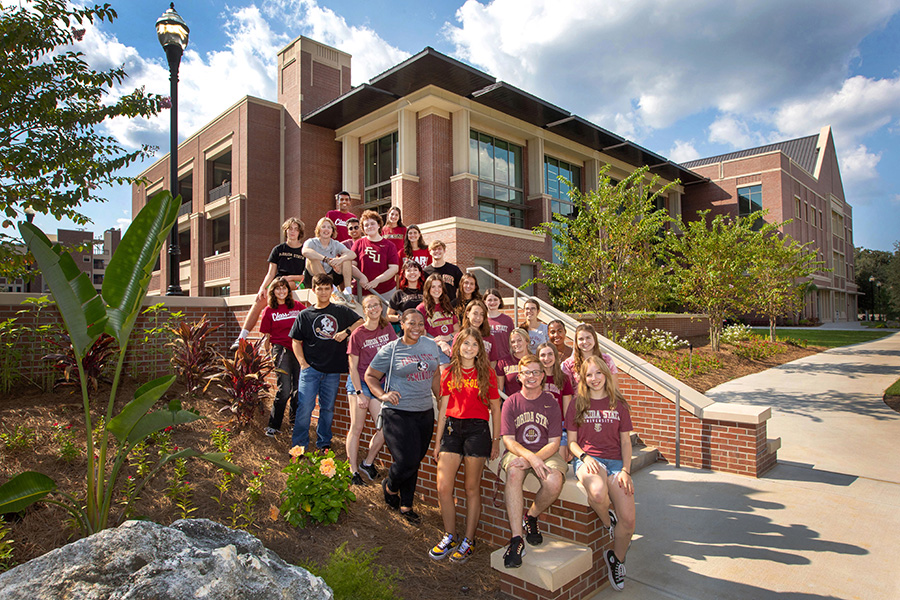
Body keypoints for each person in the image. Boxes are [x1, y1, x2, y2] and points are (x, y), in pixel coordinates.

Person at [365, 309, 448, 524]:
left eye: (420, 324)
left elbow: (435, 374)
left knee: (415, 460)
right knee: (407, 460)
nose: (416, 328)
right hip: (398, 412)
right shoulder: (391, 350)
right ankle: (390, 487)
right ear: (401, 324)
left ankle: (406, 506)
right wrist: (383, 394)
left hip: (424, 412)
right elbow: (371, 376)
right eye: (411, 323)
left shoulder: (430, 345)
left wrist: (440, 398)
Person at [429, 327, 501, 563]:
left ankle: (468, 540)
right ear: (457, 346)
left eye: (474, 344)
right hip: (452, 428)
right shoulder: (449, 372)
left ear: (479, 349)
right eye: (465, 343)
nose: (469, 348)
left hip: (477, 431)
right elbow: (442, 408)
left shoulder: (487, 374)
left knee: (471, 488)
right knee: (443, 487)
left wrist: (496, 439)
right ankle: (450, 535)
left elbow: (496, 407)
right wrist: (438, 441)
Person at [567, 356, 635, 592]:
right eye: (589, 375)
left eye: (598, 373)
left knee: (628, 521)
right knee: (597, 493)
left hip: (616, 463)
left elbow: (626, 442)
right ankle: (608, 521)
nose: (594, 379)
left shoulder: (619, 403)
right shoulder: (577, 403)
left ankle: (616, 558)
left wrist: (626, 470)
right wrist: (584, 458)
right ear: (583, 379)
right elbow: (572, 443)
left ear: (606, 374)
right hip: (589, 460)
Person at [500, 354, 566, 569]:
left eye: (536, 372)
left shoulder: (551, 402)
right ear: (519, 376)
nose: (532, 376)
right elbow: (508, 440)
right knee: (513, 472)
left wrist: (535, 459)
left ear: (542, 376)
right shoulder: (511, 402)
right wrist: (529, 459)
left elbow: (555, 442)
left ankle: (531, 516)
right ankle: (517, 540)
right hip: (519, 451)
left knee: (554, 481)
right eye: (527, 372)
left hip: (546, 452)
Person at [290, 274, 363, 452]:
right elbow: (295, 341)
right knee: (305, 407)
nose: (323, 292)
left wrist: (346, 332)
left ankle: (323, 443)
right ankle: (299, 446)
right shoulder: (305, 315)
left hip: (332, 370)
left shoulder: (340, 311)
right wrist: (303, 364)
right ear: (314, 290)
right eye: (319, 288)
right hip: (310, 370)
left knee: (327, 409)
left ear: (332, 290)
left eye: (326, 288)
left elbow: (360, 321)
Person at [232, 217, 305, 349]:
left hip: (296, 281)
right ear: (286, 231)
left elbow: (305, 276)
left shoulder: (305, 250)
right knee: (260, 300)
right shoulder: (278, 249)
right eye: (290, 229)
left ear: (300, 232)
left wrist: (289, 278)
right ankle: (241, 337)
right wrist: (262, 288)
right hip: (278, 281)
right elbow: (271, 273)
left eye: (296, 229)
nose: (293, 232)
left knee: (282, 287)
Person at [346, 295, 397, 485]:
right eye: (369, 306)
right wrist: (359, 393)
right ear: (364, 310)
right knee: (357, 427)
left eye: (377, 305)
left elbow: (394, 353)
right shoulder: (357, 334)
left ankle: (367, 463)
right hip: (360, 382)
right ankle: (352, 471)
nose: (374, 309)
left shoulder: (387, 327)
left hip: (379, 383)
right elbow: (352, 367)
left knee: (384, 427)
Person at [260, 277, 305, 437]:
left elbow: (307, 323)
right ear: (273, 291)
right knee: (284, 389)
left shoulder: (297, 306)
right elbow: (266, 336)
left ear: (288, 290)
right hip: (280, 351)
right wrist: (268, 355)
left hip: (298, 349)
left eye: (284, 288)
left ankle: (294, 424)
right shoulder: (269, 310)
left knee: (298, 390)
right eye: (278, 288)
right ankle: (274, 425)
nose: (281, 291)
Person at [302, 217, 355, 303]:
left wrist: (339, 260)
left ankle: (348, 292)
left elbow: (352, 254)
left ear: (332, 231)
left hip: (331, 276)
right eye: (323, 227)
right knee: (312, 258)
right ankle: (333, 290)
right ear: (318, 229)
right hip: (314, 278)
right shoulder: (311, 242)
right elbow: (305, 251)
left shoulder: (335, 243)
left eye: (329, 227)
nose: (326, 229)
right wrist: (325, 259)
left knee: (347, 259)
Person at [351, 210, 401, 300]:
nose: (369, 227)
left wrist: (377, 280)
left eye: (372, 223)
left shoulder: (389, 245)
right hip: (361, 291)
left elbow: (394, 268)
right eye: (366, 225)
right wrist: (361, 276)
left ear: (378, 225)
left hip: (385, 292)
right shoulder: (358, 243)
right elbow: (351, 265)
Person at [536, 342, 574, 461]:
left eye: (550, 354)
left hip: (558, 426)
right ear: (537, 358)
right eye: (542, 355)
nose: (546, 359)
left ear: (555, 356)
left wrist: (568, 435)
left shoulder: (563, 378)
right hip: (538, 424)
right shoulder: (533, 378)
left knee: (559, 464)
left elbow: (567, 409)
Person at [561, 323, 618, 389]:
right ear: (576, 341)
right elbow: (567, 392)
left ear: (594, 339)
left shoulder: (606, 360)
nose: (585, 342)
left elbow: (615, 388)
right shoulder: (568, 364)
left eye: (588, 337)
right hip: (579, 399)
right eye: (581, 339)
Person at [417, 274, 459, 356]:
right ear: (428, 288)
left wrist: (448, 336)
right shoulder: (421, 308)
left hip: (452, 345)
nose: (437, 289)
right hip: (434, 347)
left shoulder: (447, 306)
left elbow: (457, 330)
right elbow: (422, 337)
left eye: (439, 286)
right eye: (433, 286)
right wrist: (441, 343)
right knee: (445, 367)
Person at [460, 299, 499, 369]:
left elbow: (493, 361)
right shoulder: (459, 336)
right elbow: (455, 359)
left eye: (482, 315)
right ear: (467, 314)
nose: (478, 318)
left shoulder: (490, 337)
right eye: (475, 313)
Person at [388, 260, 425, 326]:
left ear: (419, 273)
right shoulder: (398, 294)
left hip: (426, 328)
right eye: (409, 270)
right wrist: (400, 318)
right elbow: (388, 316)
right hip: (407, 330)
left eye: (415, 270)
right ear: (404, 274)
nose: (412, 272)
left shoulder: (427, 291)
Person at [496, 328, 531, 397]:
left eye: (519, 340)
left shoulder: (535, 360)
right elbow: (499, 390)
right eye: (513, 342)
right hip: (512, 403)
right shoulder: (503, 362)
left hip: (533, 404)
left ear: (527, 341)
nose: (516, 344)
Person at [484, 288, 514, 361]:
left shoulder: (507, 320)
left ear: (500, 301)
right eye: (489, 300)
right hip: (487, 361)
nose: (492, 302)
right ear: (484, 302)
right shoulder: (482, 320)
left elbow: (512, 340)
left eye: (495, 299)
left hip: (504, 359)